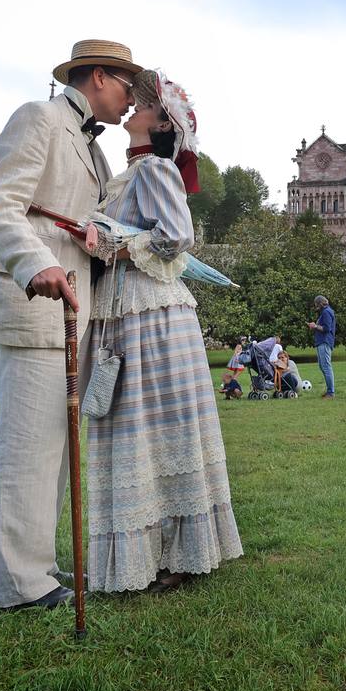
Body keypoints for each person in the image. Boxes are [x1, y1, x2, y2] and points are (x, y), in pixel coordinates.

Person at [0, 39, 140, 610]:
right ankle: (18, 586)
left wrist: (102, 236)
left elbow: (84, 217)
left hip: (74, 305)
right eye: (124, 84)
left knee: (57, 448)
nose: (130, 97)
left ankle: (37, 567)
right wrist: (32, 261)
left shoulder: (96, 152)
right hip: (34, 302)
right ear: (96, 77)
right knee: (28, 446)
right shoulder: (37, 117)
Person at [80, 69, 242, 593]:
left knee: (154, 428)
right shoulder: (127, 174)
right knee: (132, 426)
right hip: (126, 308)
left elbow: (176, 236)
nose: (133, 108)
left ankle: (172, 553)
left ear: (163, 123)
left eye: (145, 104)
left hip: (151, 312)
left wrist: (115, 245)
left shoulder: (153, 169)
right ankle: (144, 554)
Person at [308, 295, 336, 398]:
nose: (316, 307)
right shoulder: (325, 312)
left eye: (316, 304)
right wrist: (315, 326)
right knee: (322, 366)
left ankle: (331, 392)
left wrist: (315, 326)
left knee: (326, 366)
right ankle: (329, 391)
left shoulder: (326, 312)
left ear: (320, 303)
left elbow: (327, 328)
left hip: (325, 341)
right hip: (321, 342)